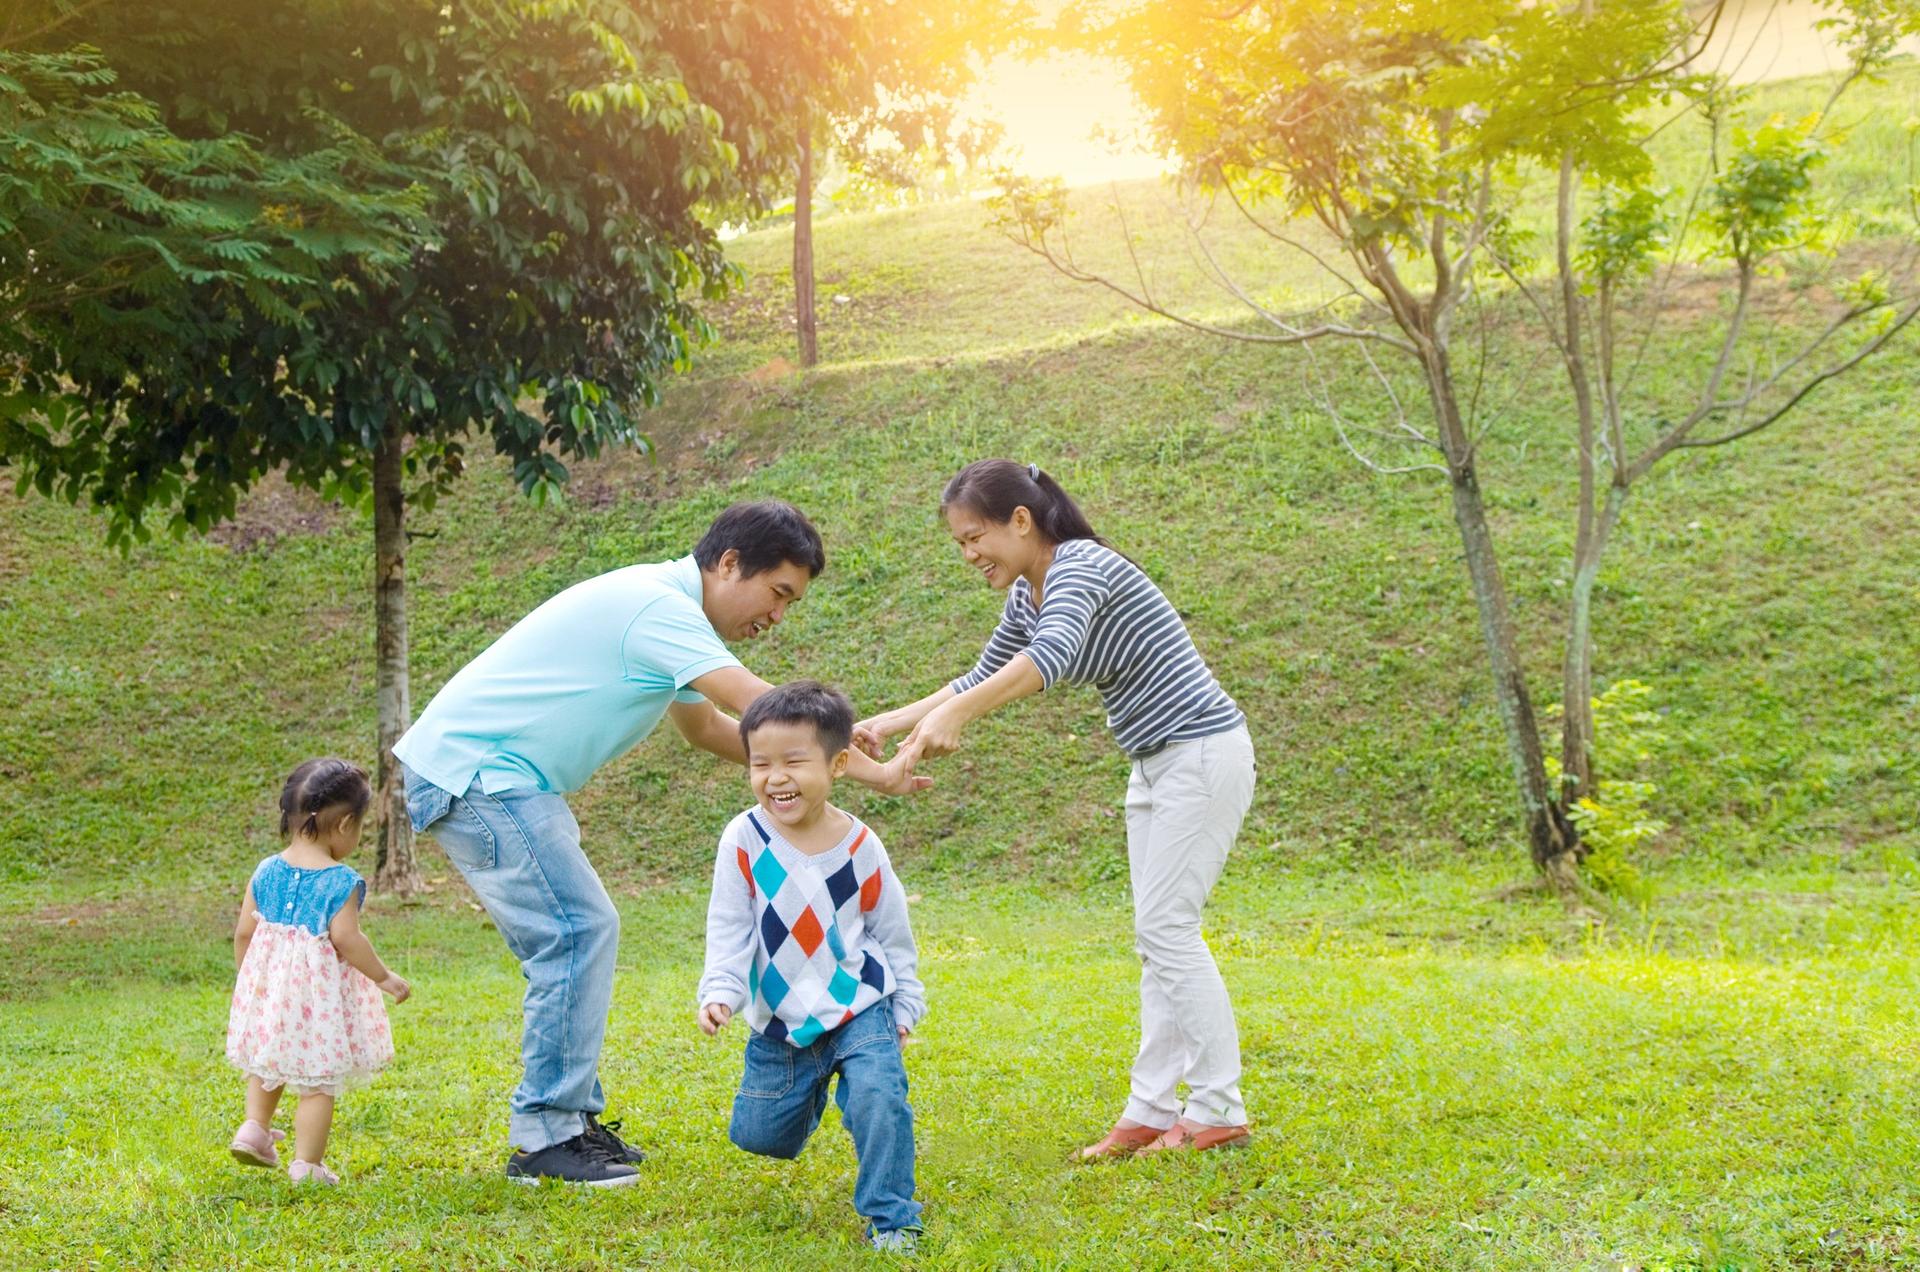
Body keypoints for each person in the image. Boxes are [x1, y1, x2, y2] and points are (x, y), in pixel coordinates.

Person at [395, 501, 925, 1186]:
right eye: (779, 594)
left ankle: (569, 1122)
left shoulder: (662, 615)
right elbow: (763, 710)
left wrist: (859, 771)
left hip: (496, 777)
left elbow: (708, 728)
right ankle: (545, 1136)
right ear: (730, 564)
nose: (777, 616)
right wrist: (844, 741)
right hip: (478, 775)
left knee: (580, 929)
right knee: (577, 930)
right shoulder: (657, 608)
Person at [857, 460, 1256, 1159]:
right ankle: (1151, 1110)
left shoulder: (1079, 566)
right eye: (958, 544)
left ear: (1021, 520)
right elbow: (981, 676)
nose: (969, 554)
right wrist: (891, 722)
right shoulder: (1028, 594)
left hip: (1201, 753)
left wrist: (959, 715)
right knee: (1157, 938)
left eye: (975, 536)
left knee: (1167, 931)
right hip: (1156, 764)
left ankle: (1219, 1106)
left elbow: (1054, 656)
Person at [698, 680, 926, 1252]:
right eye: (760, 763)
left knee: (880, 1095)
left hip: (858, 1003)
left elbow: (890, 930)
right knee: (761, 1137)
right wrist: (722, 990)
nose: (776, 777)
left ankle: (892, 1216)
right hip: (781, 1017)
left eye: (795, 761)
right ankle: (814, 1083)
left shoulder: (862, 845)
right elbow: (729, 926)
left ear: (838, 763)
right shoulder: (744, 839)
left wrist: (906, 1002)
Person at [227, 758, 411, 1186]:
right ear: (346, 824)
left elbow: (242, 933)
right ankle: (307, 1165)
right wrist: (383, 977)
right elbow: (346, 938)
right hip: (317, 1003)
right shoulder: (339, 881)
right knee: (317, 1082)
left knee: (268, 1061)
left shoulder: (266, 870)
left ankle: (254, 1129)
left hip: (268, 994)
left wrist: (250, 983)